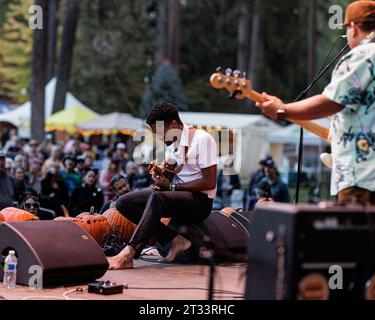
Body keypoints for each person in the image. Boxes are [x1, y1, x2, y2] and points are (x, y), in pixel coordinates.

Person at [255, 1, 375, 205]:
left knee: (357, 235)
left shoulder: (363, 55)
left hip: (363, 174)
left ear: (353, 27)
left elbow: (330, 102)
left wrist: (281, 109)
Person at [108, 102, 217, 270]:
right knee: (124, 202)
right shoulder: (171, 147)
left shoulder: (202, 139)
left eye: (159, 132)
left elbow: (209, 182)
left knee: (156, 197)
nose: (159, 137)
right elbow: (169, 184)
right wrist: (161, 178)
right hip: (179, 199)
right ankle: (176, 240)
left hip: (200, 202)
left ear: (174, 124)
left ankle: (129, 253)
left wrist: (172, 188)